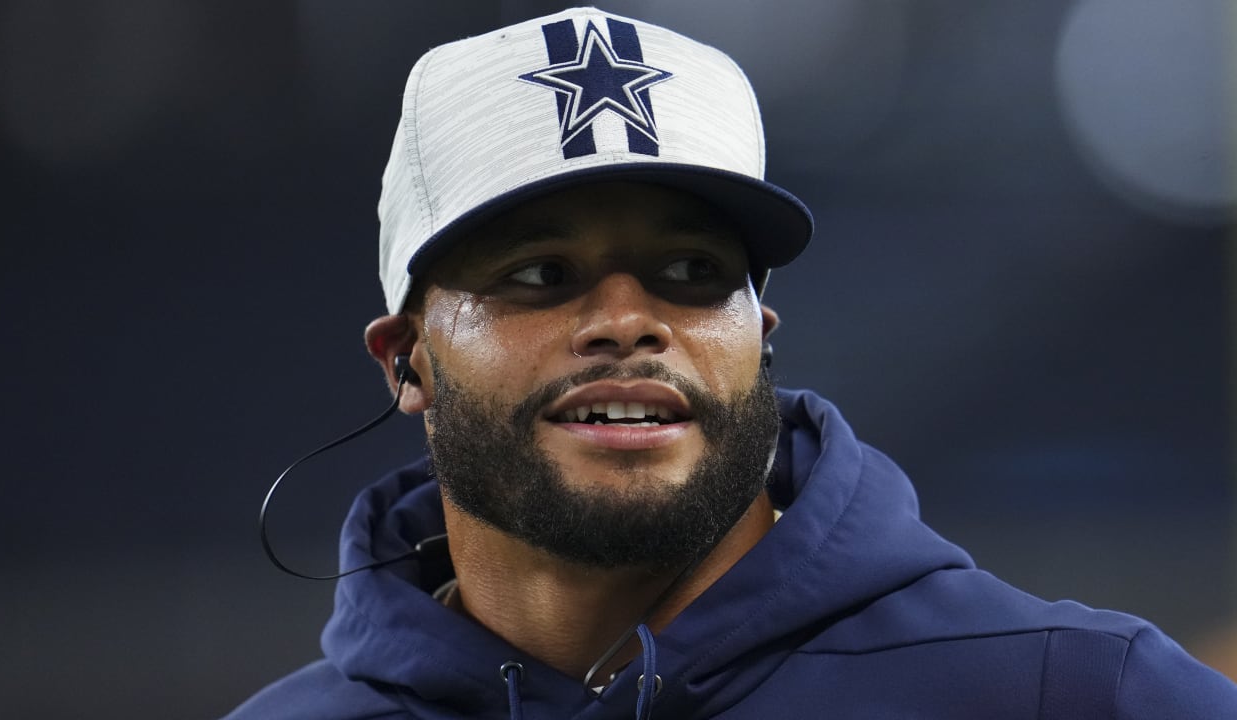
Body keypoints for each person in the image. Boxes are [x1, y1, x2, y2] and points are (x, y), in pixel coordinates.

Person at [225, 7, 1237, 718]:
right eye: (540, 275)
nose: (626, 320)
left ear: (760, 334)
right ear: (406, 360)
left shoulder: (1076, 695)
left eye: (690, 272)